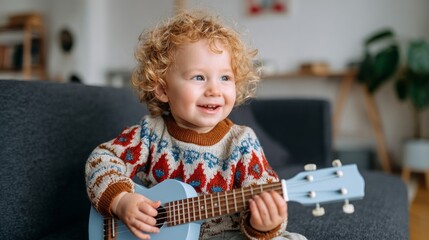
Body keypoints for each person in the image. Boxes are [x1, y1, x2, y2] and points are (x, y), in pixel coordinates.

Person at [85, 10, 306, 240]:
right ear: (162, 89)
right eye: (199, 77)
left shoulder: (242, 143)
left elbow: (268, 200)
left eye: (225, 78)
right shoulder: (150, 134)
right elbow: (100, 159)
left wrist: (265, 223)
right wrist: (121, 200)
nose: (214, 90)